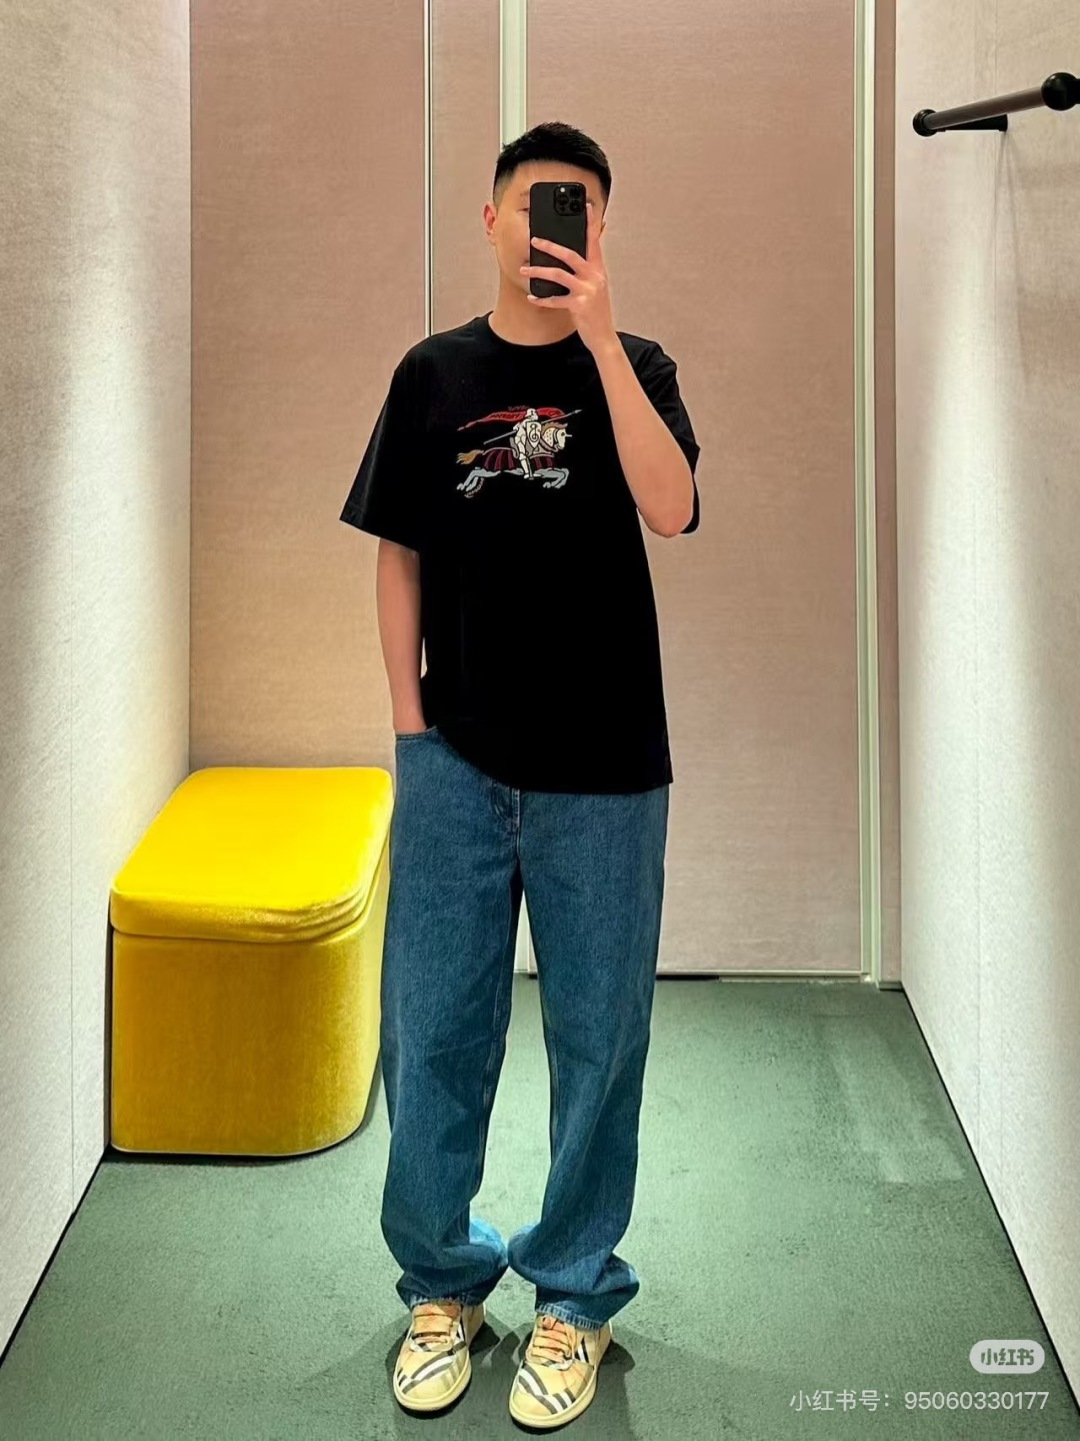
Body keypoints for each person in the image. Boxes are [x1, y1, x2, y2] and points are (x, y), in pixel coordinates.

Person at [340, 121, 700, 1428]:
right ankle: (443, 1281)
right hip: (456, 759)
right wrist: (408, 722)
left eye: (582, 209)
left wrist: (600, 341)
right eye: (540, 203)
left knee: (600, 1039)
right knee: (431, 1028)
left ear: (601, 233)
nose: (558, 224)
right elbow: (396, 549)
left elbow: (672, 507)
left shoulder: (638, 366)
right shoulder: (432, 373)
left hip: (607, 767)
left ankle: (574, 1295)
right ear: (492, 218)